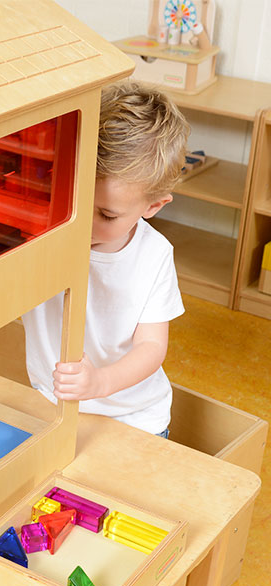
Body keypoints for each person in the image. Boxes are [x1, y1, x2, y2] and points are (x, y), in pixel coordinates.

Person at [22, 79, 189, 436]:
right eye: (73, 199)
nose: (82, 223)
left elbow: (151, 347)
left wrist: (99, 382)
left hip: (133, 416)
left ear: (153, 206)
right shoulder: (43, 234)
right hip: (52, 403)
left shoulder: (154, 255)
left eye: (107, 215)